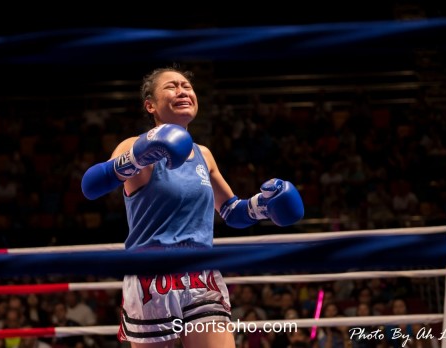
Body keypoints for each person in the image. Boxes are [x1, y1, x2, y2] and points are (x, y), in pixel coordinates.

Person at [81, 64, 304, 348]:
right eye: (171, 86)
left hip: (201, 273)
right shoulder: (134, 146)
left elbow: (232, 212)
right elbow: (90, 187)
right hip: (152, 274)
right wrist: (137, 158)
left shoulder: (205, 154)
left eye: (187, 86)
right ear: (150, 105)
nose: (183, 90)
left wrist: (263, 205)